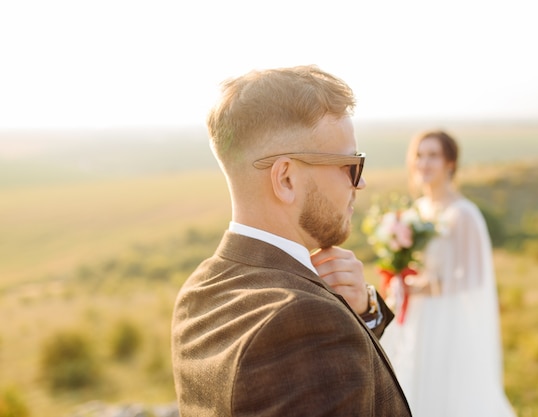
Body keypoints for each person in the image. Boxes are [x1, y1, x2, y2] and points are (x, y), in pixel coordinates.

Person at [171, 65, 411, 416]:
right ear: (285, 178)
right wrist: (333, 317)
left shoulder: (199, 291)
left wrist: (359, 315)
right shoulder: (307, 322)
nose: (359, 184)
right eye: (350, 166)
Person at [380, 130, 516, 416]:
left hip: (447, 319)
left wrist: (423, 287)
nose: (424, 163)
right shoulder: (417, 210)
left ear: (450, 163)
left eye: (433, 156)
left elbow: (473, 278)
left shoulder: (463, 214)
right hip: (417, 316)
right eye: (419, 155)